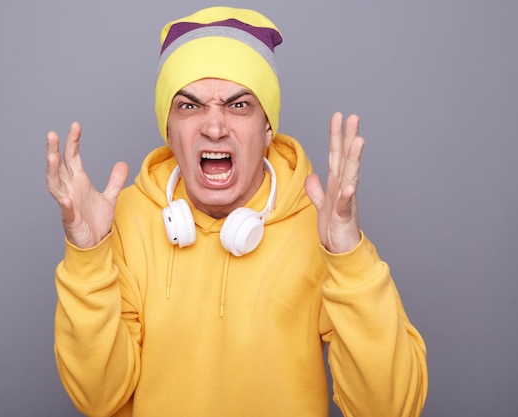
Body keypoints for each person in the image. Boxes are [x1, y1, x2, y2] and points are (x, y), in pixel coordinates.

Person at [45, 6, 428, 417]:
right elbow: (98, 398)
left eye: (239, 105)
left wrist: (349, 259)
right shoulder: (128, 220)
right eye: (189, 107)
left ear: (267, 128)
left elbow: (389, 409)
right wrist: (88, 257)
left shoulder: (317, 227)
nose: (214, 127)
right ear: (169, 130)